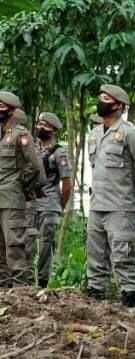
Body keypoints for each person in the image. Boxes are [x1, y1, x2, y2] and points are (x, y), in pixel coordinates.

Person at [86, 85, 135, 306]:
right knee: (95, 252)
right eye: (100, 97)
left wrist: (127, 188)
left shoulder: (130, 133)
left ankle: (129, 295)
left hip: (120, 205)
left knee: (122, 253)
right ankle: (96, 291)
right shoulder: (94, 134)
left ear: (118, 106)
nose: (100, 102)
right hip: (97, 204)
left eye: (106, 99)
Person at [0, 90, 44, 288]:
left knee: (15, 249)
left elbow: (34, 166)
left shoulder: (21, 135)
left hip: (12, 200)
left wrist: (21, 184)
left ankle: (21, 295)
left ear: (10, 110)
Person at [28, 113, 72, 287]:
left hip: (50, 204)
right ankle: (26, 282)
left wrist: (59, 205)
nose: (40, 128)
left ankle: (43, 283)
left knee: (46, 247)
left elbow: (66, 184)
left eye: (45, 125)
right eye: (39, 123)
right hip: (31, 205)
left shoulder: (60, 153)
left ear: (53, 130)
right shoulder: (32, 148)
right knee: (26, 245)